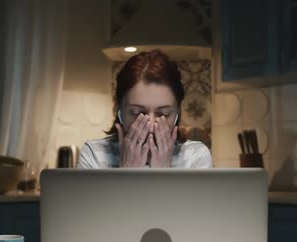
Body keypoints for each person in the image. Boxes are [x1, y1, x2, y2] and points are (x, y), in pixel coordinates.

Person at [76, 50, 212, 168]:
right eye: (137, 113)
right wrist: (127, 172)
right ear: (119, 111)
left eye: (164, 113)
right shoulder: (94, 154)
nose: (151, 125)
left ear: (177, 113)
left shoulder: (195, 156)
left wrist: (162, 172)